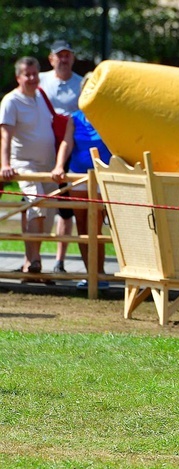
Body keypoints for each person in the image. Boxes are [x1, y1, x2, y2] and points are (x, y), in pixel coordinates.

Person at [51, 73, 111, 290]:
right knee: (82, 227)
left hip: (99, 177)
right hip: (77, 176)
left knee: (95, 227)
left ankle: (100, 274)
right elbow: (66, 144)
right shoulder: (75, 118)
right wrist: (59, 166)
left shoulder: (107, 116)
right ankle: (89, 274)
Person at [0, 56, 56, 276]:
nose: (32, 78)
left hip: (49, 166)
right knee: (37, 203)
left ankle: (29, 262)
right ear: (18, 77)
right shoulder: (11, 101)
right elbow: (5, 136)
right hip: (24, 164)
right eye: (27, 74)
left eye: (35, 74)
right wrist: (4, 164)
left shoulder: (42, 96)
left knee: (45, 213)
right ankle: (35, 261)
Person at [39, 39, 83, 274]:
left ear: (73, 58)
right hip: (43, 149)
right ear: (51, 58)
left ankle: (59, 261)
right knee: (35, 202)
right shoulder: (41, 82)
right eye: (60, 55)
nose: (64, 59)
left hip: (69, 151)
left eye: (68, 55)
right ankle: (32, 260)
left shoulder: (81, 84)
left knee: (65, 208)